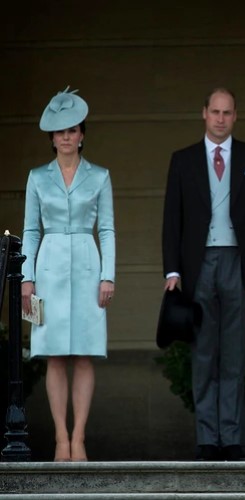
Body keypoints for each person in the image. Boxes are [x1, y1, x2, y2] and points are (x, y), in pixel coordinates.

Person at [161, 87, 245, 461]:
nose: (221, 118)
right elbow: (171, 220)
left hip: (239, 266)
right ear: (204, 113)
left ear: (235, 115)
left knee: (232, 354)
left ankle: (230, 437)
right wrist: (173, 271)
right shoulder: (183, 160)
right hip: (198, 265)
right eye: (215, 112)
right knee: (203, 352)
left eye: (227, 112)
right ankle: (207, 437)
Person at [21, 87, 115, 462]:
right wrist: (27, 278)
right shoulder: (37, 177)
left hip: (89, 266)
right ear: (51, 137)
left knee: (85, 354)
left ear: (82, 134)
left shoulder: (100, 176)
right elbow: (29, 230)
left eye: (72, 129)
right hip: (48, 267)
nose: (66, 136)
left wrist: (108, 275)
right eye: (59, 131)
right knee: (55, 355)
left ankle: (80, 438)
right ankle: (61, 438)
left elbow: (106, 229)